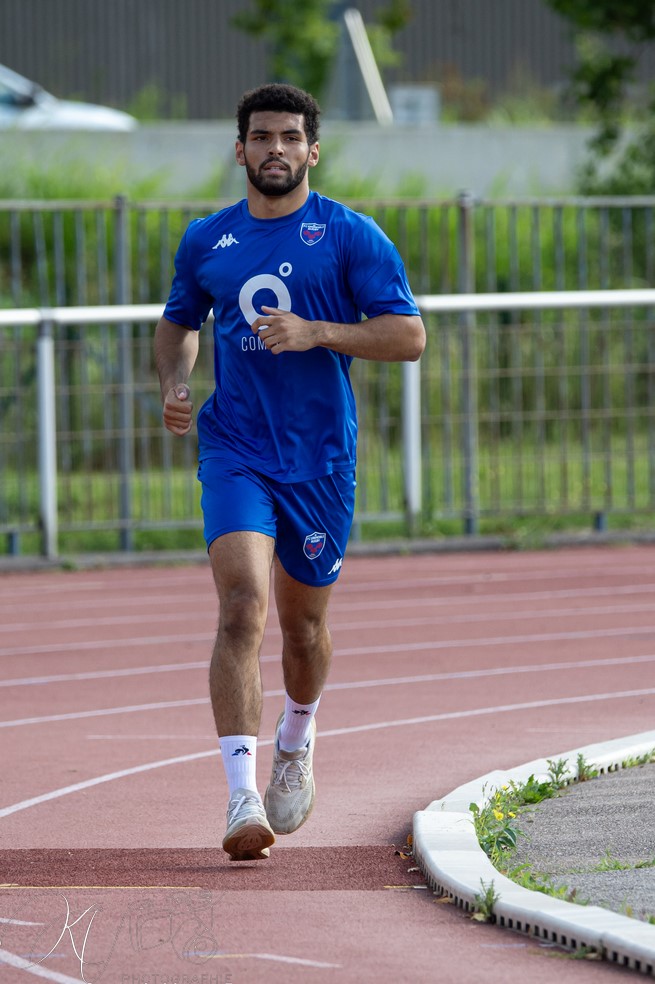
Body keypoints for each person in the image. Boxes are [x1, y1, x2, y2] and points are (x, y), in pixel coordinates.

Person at [154, 82, 426, 861]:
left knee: (304, 629)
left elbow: (407, 337)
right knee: (242, 608)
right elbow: (176, 327)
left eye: (290, 138)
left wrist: (316, 332)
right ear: (238, 149)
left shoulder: (349, 236)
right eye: (261, 137)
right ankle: (241, 797)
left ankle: (297, 736)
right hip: (235, 447)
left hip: (319, 459)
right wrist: (174, 385)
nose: (275, 149)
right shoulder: (207, 240)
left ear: (313, 150)